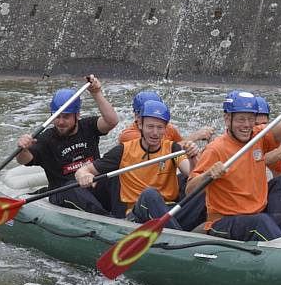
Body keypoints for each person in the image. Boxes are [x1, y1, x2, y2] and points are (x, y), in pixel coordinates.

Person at [186, 88, 281, 241]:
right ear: (227, 119)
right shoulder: (215, 149)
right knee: (261, 222)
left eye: (250, 119)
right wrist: (209, 174)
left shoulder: (259, 136)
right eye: (241, 119)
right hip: (222, 222)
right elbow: (190, 190)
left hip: (256, 217)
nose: (247, 125)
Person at [74, 99, 205, 231]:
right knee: (149, 194)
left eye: (160, 127)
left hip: (169, 211)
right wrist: (84, 175)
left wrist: (193, 157)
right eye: (150, 126)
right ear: (140, 125)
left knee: (204, 188)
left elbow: (191, 173)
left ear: (166, 128)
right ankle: (179, 239)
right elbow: (84, 170)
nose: (155, 133)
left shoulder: (173, 148)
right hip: (137, 215)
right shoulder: (123, 150)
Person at [16, 75, 119, 215]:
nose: (61, 122)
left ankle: (124, 215)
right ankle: (108, 221)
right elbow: (24, 160)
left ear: (77, 115)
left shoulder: (88, 126)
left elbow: (111, 121)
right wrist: (23, 148)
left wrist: (96, 93)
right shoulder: (46, 139)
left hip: (91, 186)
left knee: (113, 174)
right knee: (72, 187)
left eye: (66, 116)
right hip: (62, 193)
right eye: (57, 116)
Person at [119, 90, 215, 144]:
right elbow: (160, 153)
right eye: (149, 115)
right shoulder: (128, 135)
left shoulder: (169, 128)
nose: (155, 132)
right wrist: (196, 136)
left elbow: (182, 154)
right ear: (137, 116)